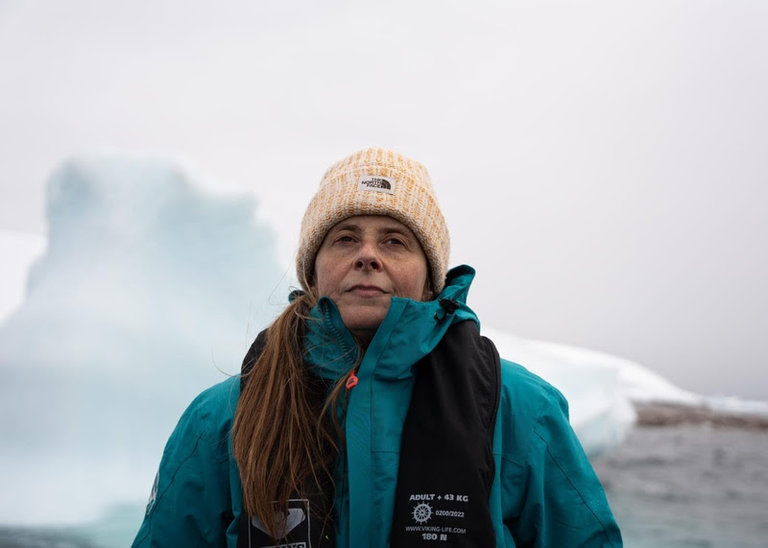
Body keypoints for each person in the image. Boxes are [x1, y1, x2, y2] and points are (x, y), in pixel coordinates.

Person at [132, 148, 622, 547]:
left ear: (430, 279)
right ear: (313, 271)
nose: (367, 256)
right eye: (345, 238)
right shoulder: (223, 418)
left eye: (394, 241)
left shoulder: (519, 410)